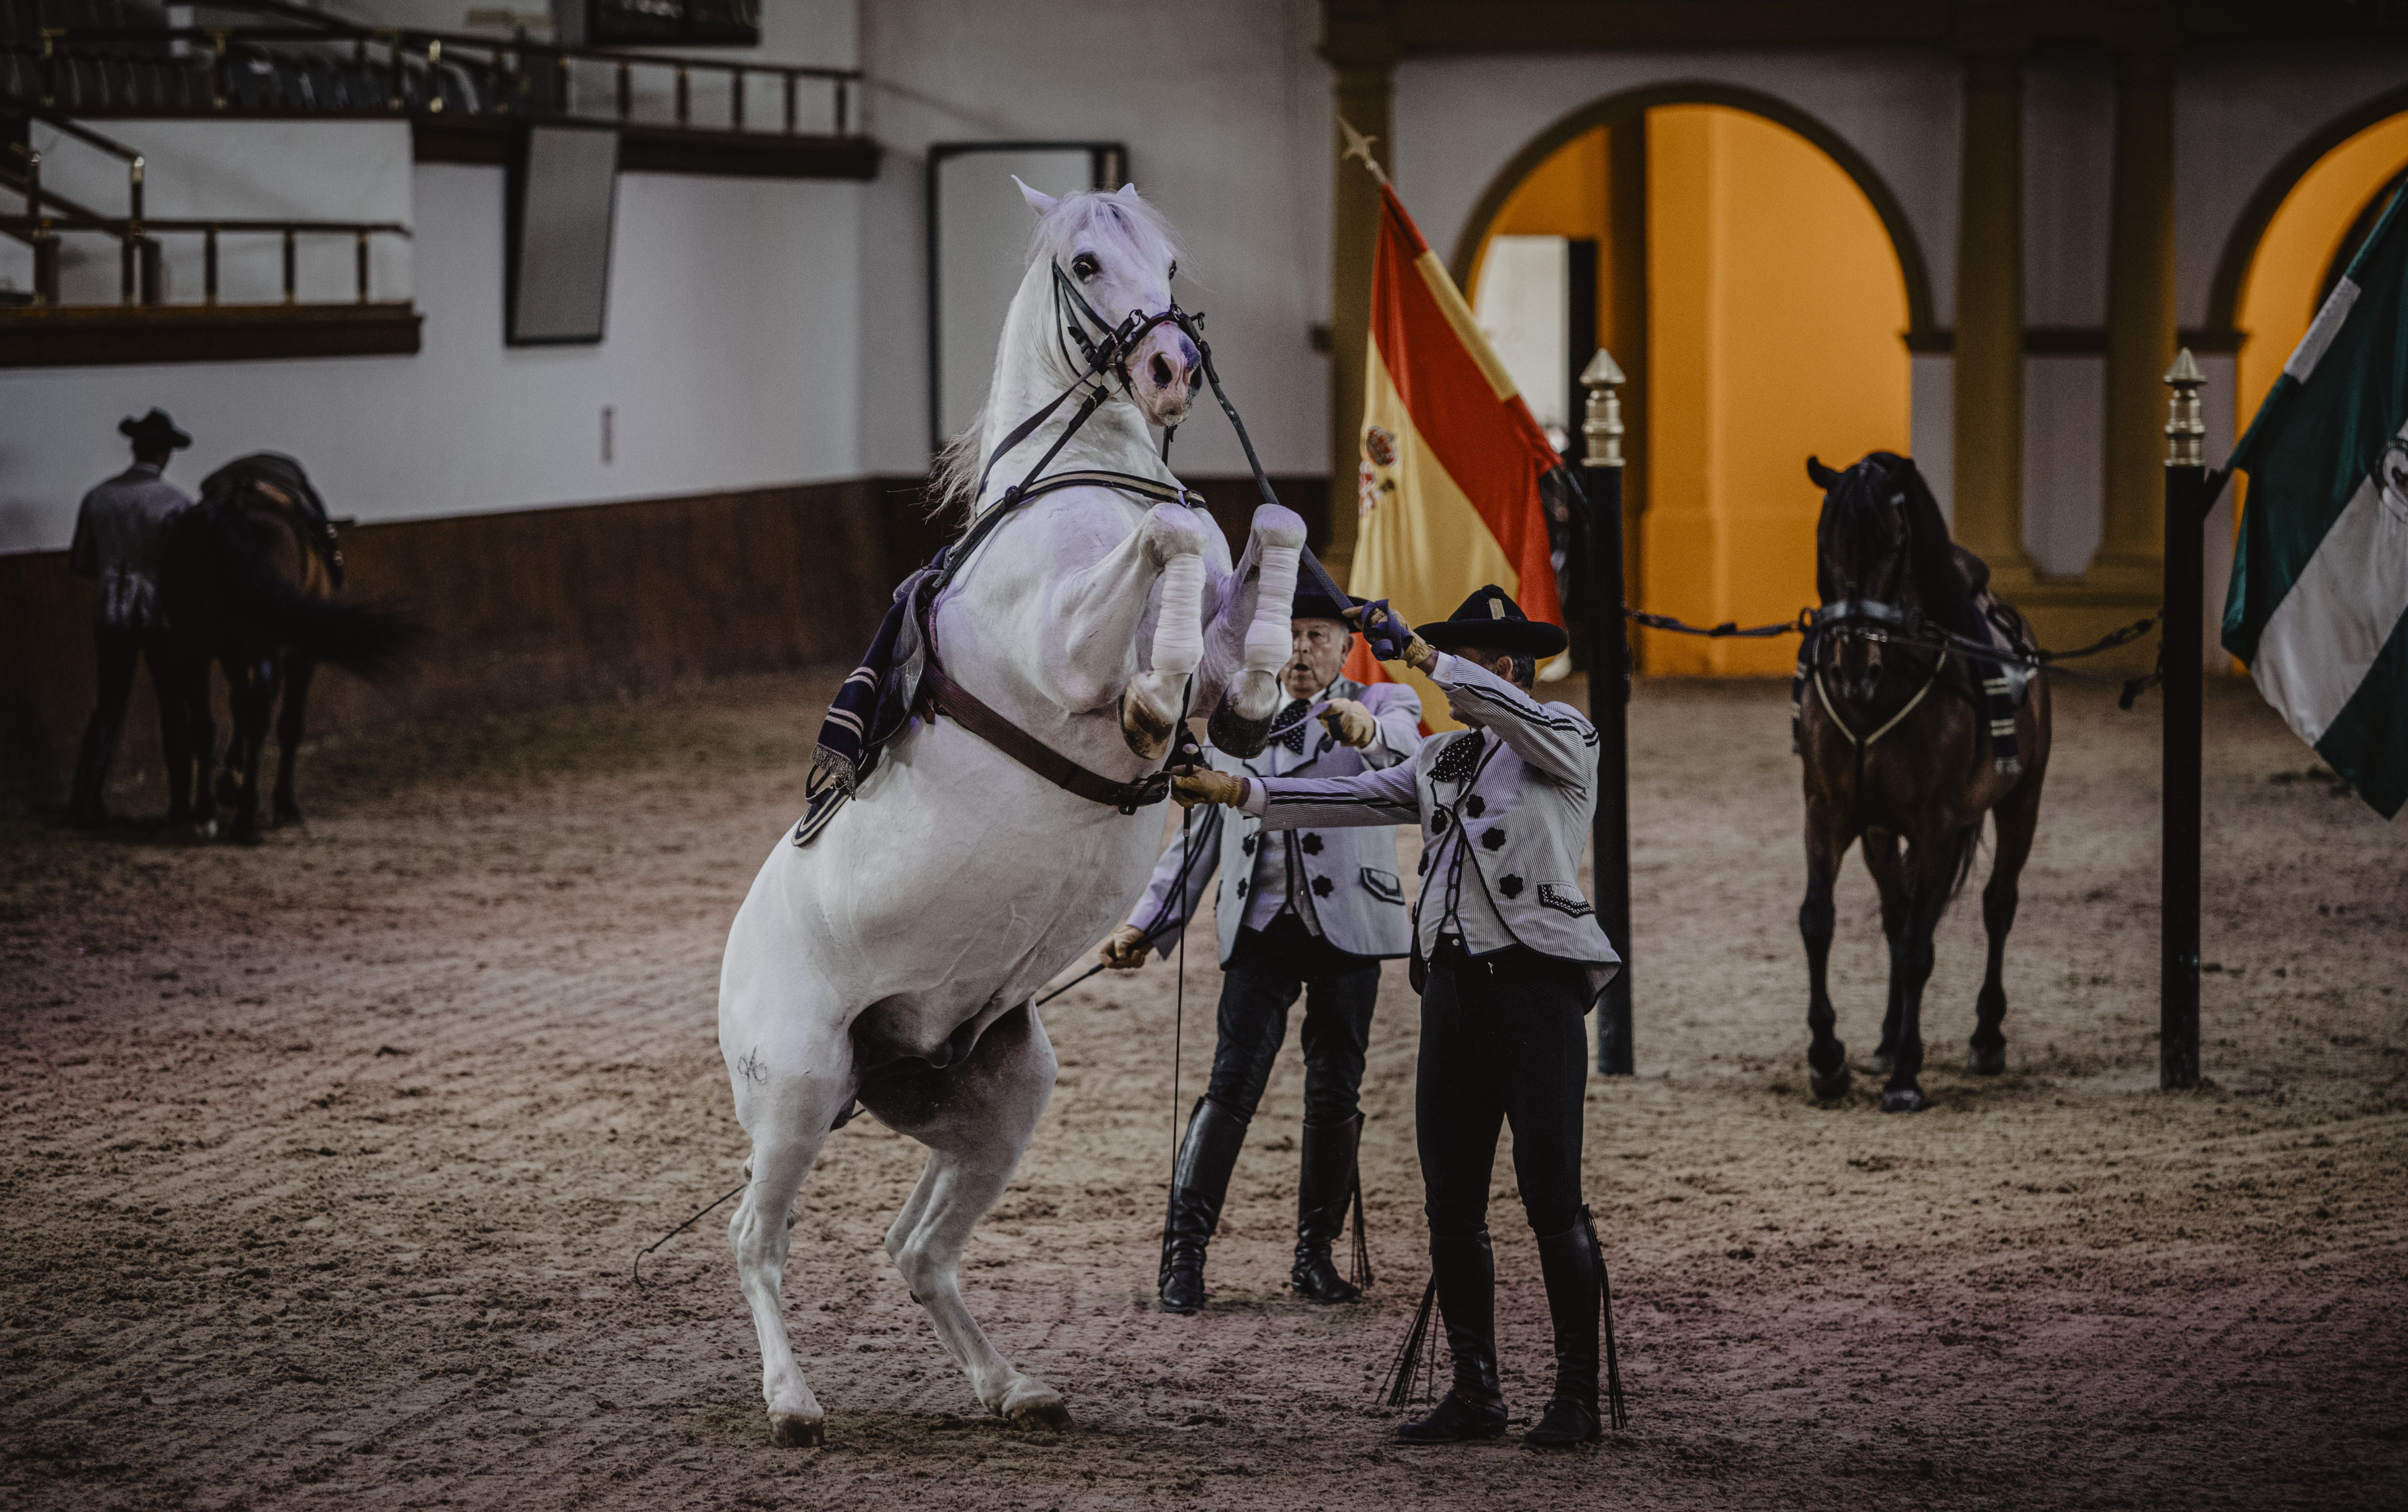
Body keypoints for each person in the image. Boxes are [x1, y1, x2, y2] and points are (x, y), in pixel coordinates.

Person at [1171, 584, 1623, 1449]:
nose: (1454, 683)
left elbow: (1488, 704)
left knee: (1552, 1199)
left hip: (1534, 988)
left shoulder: (1566, 738)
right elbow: (1347, 800)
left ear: (1510, 672)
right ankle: (1476, 1391)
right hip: (1453, 993)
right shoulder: (1443, 760)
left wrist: (1419, 653)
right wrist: (1229, 786)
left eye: (1472, 665)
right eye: (1451, 664)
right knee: (1451, 1205)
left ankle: (1575, 1394)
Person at [1102, 567, 1423, 1314]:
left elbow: (1409, 755)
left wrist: (1368, 731)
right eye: (1291, 637)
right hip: (1258, 926)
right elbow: (1201, 838)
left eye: (1319, 637)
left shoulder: (1382, 702)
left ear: (1347, 650)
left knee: (1334, 1088)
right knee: (1231, 1083)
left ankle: (1314, 1255)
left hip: (1349, 928)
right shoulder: (1236, 727)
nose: (1302, 650)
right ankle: (1183, 1255)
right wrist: (1146, 926)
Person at [67, 409, 195, 830]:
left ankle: (84, 801)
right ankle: (180, 804)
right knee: (174, 707)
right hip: (159, 614)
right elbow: (183, 569)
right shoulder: (175, 503)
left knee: (108, 708)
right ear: (163, 455)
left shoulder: (98, 497)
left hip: (110, 610)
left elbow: (83, 561)